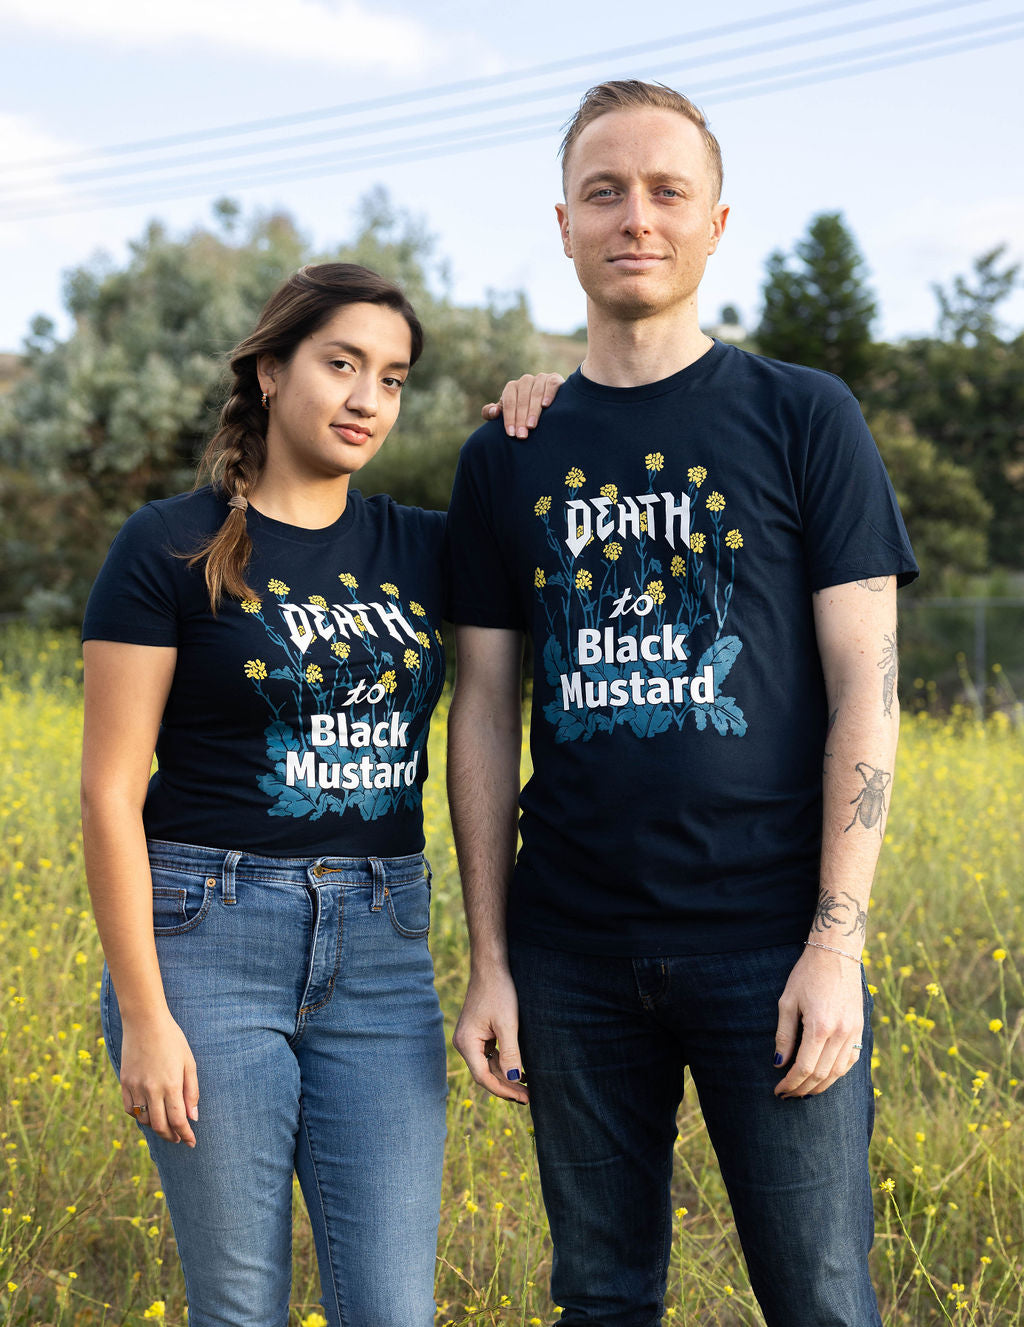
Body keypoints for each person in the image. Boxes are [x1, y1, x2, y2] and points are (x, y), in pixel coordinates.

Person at [445, 81, 918, 1327]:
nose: (636, 217)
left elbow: (866, 693)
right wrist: (491, 960)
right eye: (604, 192)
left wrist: (835, 947)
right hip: (569, 951)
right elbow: (482, 710)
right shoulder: (507, 452)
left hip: (770, 941)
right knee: (600, 1298)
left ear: (716, 222)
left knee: (821, 1298)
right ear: (563, 225)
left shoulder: (804, 415)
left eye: (667, 191)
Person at [80, 262, 558, 1327]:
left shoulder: (424, 547)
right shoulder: (167, 546)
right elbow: (109, 792)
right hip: (207, 948)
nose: (366, 399)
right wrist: (146, 1017)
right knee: (240, 1305)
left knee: (391, 1307)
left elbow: (551, 513)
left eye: (391, 379)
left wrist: (552, 404)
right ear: (268, 370)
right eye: (341, 365)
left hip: (382, 956)